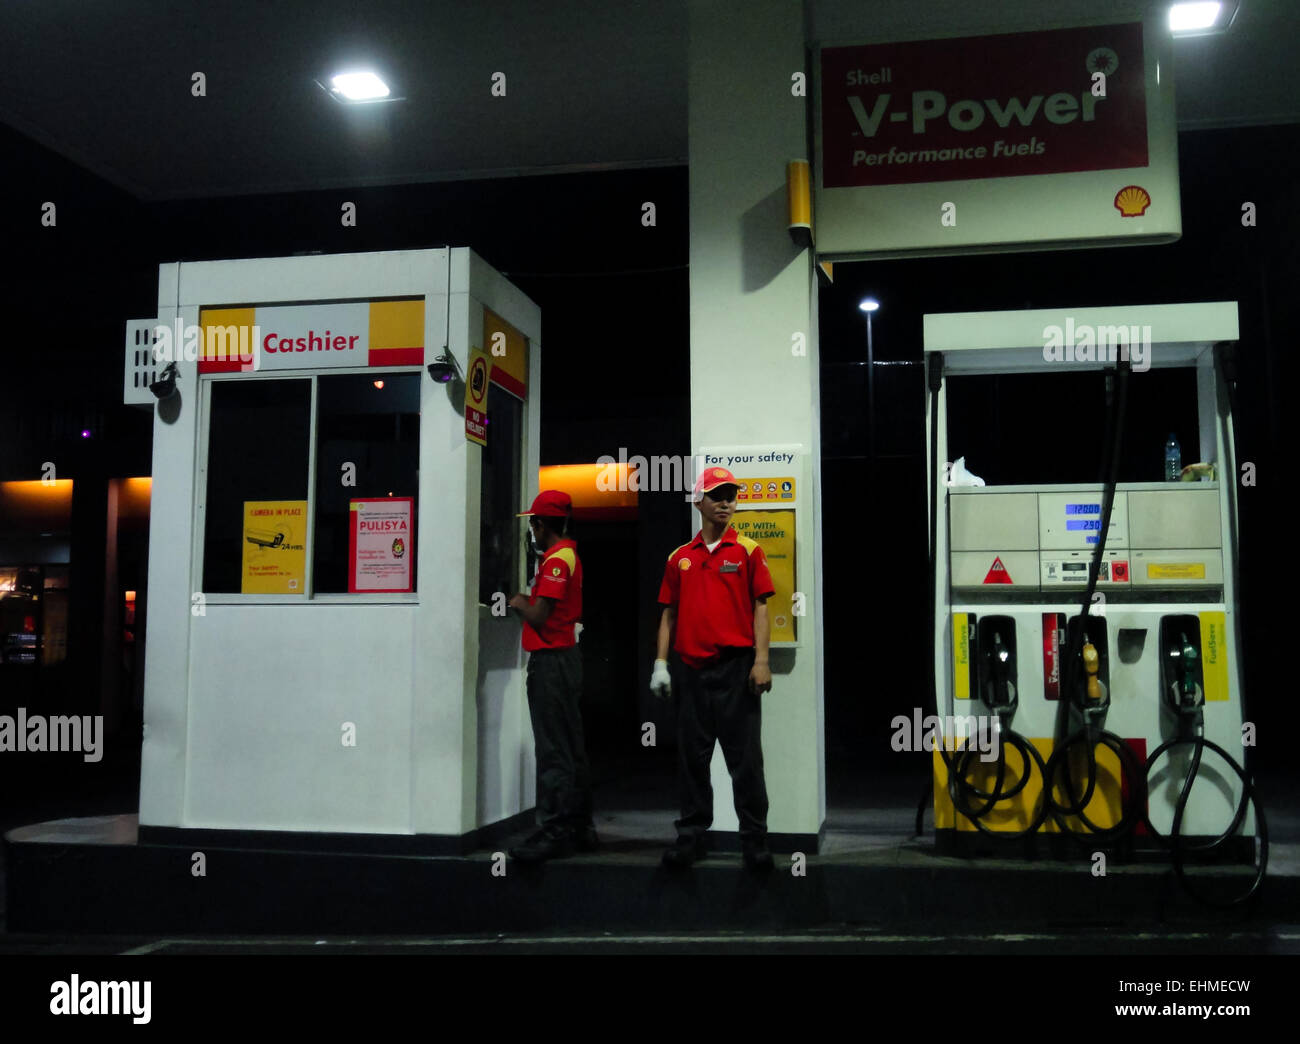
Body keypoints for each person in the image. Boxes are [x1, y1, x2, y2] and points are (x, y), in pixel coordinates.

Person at [652, 466, 775, 871]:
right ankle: (691, 838)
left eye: (730, 495)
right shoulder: (679, 558)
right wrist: (661, 665)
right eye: (717, 495)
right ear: (698, 500)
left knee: (746, 762)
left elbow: (762, 605)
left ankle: (755, 842)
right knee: (692, 760)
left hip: (736, 671)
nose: (725, 501)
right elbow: (668, 614)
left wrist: (761, 661)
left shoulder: (748, 551)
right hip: (690, 671)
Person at [506, 489, 595, 862]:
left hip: (552, 664)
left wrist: (518, 602)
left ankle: (554, 830)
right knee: (570, 746)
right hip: (565, 661)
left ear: (541, 525)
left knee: (554, 748)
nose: (532, 529)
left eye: (533, 523)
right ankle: (578, 827)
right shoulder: (564, 556)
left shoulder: (557, 560)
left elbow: (541, 615)